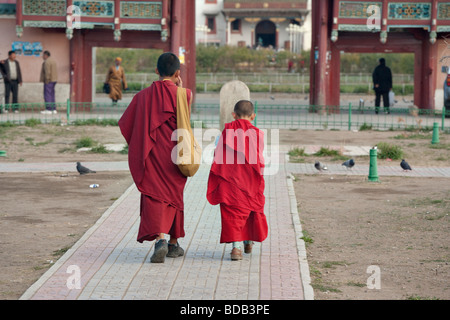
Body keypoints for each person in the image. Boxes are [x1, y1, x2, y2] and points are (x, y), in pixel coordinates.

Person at [118, 52, 192, 263]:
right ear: (178, 72)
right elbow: (185, 121)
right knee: (174, 197)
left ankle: (159, 239)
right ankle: (173, 243)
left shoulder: (141, 97)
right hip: (174, 156)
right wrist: (180, 88)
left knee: (154, 196)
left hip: (151, 155)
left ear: (156, 71)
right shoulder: (185, 94)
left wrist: (142, 144)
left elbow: (126, 125)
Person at [206, 100, 268, 261]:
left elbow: (217, 155)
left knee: (233, 212)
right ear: (253, 116)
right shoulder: (258, 134)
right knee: (250, 208)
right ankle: (248, 241)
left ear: (234, 115)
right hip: (250, 180)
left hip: (230, 180)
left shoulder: (224, 133)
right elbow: (260, 158)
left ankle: (236, 248)